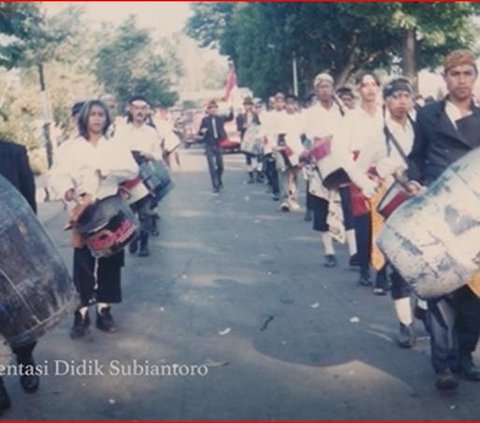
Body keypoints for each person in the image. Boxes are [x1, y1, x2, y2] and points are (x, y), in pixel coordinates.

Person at [407, 50, 480, 391]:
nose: (461, 80)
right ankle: (443, 365)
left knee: (473, 296)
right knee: (440, 291)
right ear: (445, 78)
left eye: (467, 73)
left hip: (474, 218)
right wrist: (413, 180)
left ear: (475, 78)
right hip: (437, 216)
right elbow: (416, 157)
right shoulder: (428, 116)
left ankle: (465, 357)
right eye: (455, 74)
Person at [51, 99, 138, 339]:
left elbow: (132, 170)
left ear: (106, 118)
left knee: (111, 261)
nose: (97, 119)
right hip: (84, 213)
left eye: (101, 114)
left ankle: (105, 311)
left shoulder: (115, 146)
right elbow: (57, 175)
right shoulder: (70, 148)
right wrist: (66, 189)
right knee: (83, 264)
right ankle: (80, 314)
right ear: (84, 118)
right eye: (93, 114)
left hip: (110, 209)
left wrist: (109, 171)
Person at [0, 139, 39, 414]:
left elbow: (29, 201)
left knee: (20, 312)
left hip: (13, 247)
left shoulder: (14, 152)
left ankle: (26, 360)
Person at [116, 95, 163, 256]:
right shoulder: (121, 131)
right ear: (130, 109)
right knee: (129, 213)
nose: (140, 111)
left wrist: (151, 155)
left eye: (143, 108)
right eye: (136, 108)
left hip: (145, 177)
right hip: (126, 177)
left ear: (147, 111)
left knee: (146, 212)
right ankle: (133, 237)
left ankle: (144, 243)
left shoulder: (151, 132)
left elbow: (159, 154)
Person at [198, 100, 234, 194]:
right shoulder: (205, 120)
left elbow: (230, 118)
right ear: (208, 110)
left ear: (217, 109)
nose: (213, 110)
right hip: (209, 144)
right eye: (211, 108)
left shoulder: (220, 118)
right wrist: (203, 131)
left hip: (218, 143)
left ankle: (219, 178)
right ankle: (215, 185)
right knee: (211, 166)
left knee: (220, 166)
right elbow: (200, 132)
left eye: (215, 108)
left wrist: (231, 110)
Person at [236, 96, 262, 184]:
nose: (247, 107)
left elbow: (260, 125)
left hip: (255, 138)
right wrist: (243, 127)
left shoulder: (256, 115)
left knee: (259, 157)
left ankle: (259, 175)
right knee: (248, 158)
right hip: (246, 139)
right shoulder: (240, 116)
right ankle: (251, 176)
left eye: (249, 105)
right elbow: (238, 128)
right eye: (246, 105)